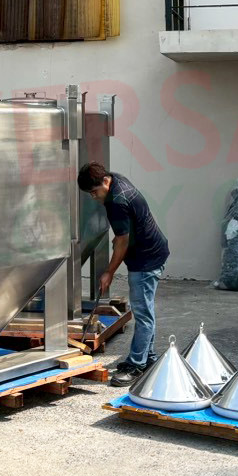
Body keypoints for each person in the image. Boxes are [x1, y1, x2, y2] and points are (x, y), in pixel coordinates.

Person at [77, 162, 169, 386]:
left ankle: (136, 365)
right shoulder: (117, 180)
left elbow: (122, 242)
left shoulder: (117, 202)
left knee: (143, 314)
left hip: (146, 259)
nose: (94, 197)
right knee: (145, 310)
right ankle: (148, 358)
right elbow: (125, 232)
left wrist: (109, 272)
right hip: (151, 251)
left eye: (94, 192)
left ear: (105, 181)